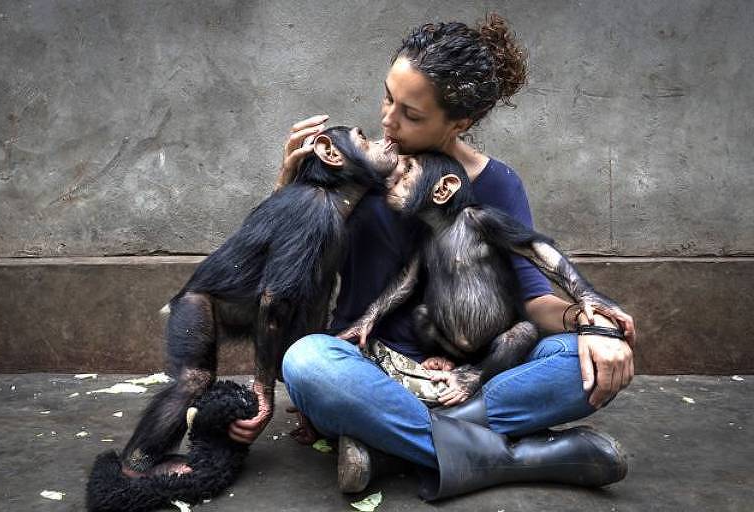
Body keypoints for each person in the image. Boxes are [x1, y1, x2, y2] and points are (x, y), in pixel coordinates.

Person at [229, 14, 636, 499]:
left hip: (469, 378)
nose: (387, 121)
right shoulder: (357, 168)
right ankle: (505, 457)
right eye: (388, 97)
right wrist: (289, 192)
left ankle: (390, 446)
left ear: (458, 122)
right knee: (308, 361)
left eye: (412, 115)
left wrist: (594, 325)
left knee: (579, 363)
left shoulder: (496, 185)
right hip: (368, 372)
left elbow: (532, 303)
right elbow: (283, 283)